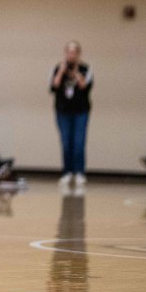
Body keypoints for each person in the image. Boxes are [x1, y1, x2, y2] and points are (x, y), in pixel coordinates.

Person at [51, 41, 93, 188]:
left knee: (79, 143)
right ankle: (67, 172)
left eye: (74, 52)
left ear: (78, 54)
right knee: (66, 142)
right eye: (68, 52)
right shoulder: (58, 68)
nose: (71, 55)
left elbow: (84, 86)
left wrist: (75, 73)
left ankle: (79, 172)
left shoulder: (85, 69)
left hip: (81, 111)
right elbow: (53, 86)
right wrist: (62, 71)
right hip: (63, 111)